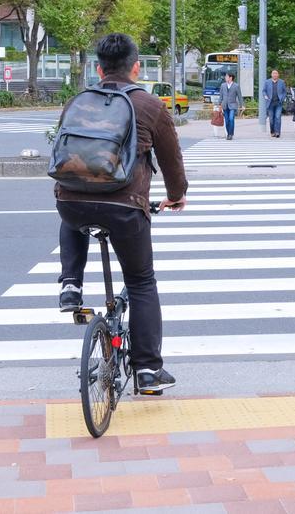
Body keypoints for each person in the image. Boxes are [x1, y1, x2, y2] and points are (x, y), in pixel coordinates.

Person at [55, 33, 189, 393]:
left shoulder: (77, 101)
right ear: (136, 67)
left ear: (98, 68)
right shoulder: (149, 105)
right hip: (125, 205)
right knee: (141, 281)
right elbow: (171, 161)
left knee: (72, 212)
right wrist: (176, 196)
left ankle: (71, 283)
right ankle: (147, 371)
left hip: (71, 201)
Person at [218, 72, 244, 140]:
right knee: (226, 120)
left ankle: (231, 134)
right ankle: (228, 133)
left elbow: (239, 96)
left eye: (226, 76)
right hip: (225, 105)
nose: (225, 78)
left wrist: (242, 105)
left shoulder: (236, 86)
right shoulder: (223, 85)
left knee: (231, 119)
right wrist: (219, 104)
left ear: (230, 77)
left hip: (233, 105)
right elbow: (221, 96)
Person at [263, 70, 287, 138]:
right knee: (271, 119)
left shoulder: (282, 82)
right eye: (273, 73)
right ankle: (272, 131)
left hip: (278, 103)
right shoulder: (267, 82)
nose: (275, 75)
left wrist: (282, 98)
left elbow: (284, 92)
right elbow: (264, 91)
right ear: (271, 75)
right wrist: (265, 96)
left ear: (278, 75)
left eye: (276, 73)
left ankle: (277, 132)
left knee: (277, 117)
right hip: (270, 103)